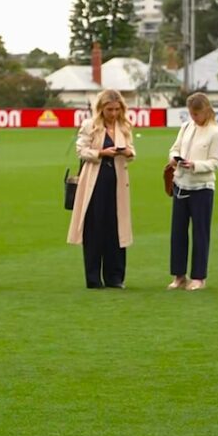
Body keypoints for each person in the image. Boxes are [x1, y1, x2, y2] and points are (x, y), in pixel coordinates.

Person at [67, 89, 135, 289]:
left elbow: (132, 150)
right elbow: (81, 150)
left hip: (117, 181)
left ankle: (115, 277)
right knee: (95, 229)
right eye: (109, 110)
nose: (113, 114)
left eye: (116, 109)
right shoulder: (90, 126)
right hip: (95, 182)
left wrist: (128, 152)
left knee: (116, 228)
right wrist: (102, 152)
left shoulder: (123, 126)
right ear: (101, 109)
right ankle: (93, 277)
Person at [167, 93, 218, 291]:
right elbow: (174, 148)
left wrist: (195, 165)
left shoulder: (215, 132)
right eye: (191, 113)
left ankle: (199, 277)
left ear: (206, 110)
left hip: (202, 187)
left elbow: (215, 162)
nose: (194, 117)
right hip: (180, 184)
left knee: (200, 233)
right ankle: (179, 275)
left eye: (197, 114)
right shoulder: (186, 127)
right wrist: (176, 158)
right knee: (178, 232)